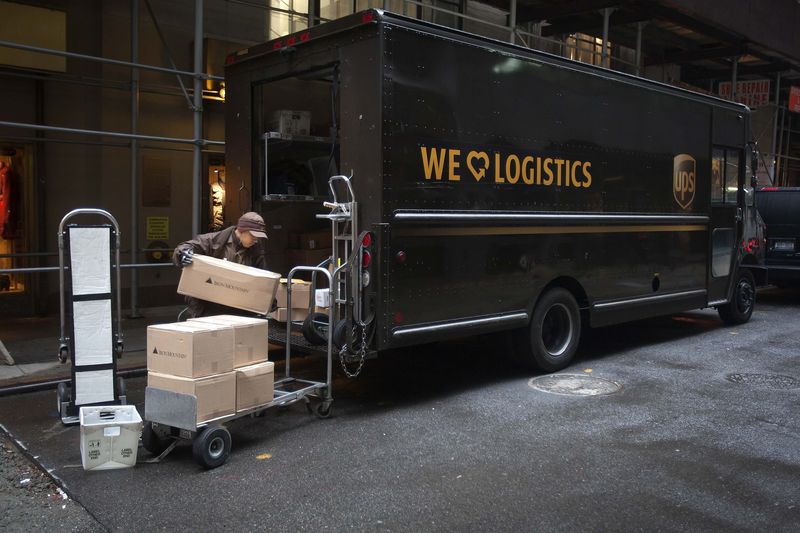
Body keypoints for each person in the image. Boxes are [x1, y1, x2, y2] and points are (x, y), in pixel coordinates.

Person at [173, 211, 268, 318]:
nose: (256, 240)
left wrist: (268, 299)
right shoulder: (213, 241)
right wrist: (183, 254)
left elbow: (262, 278)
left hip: (240, 309)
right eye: (254, 236)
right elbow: (185, 247)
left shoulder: (256, 250)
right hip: (208, 308)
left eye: (259, 237)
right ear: (242, 230)